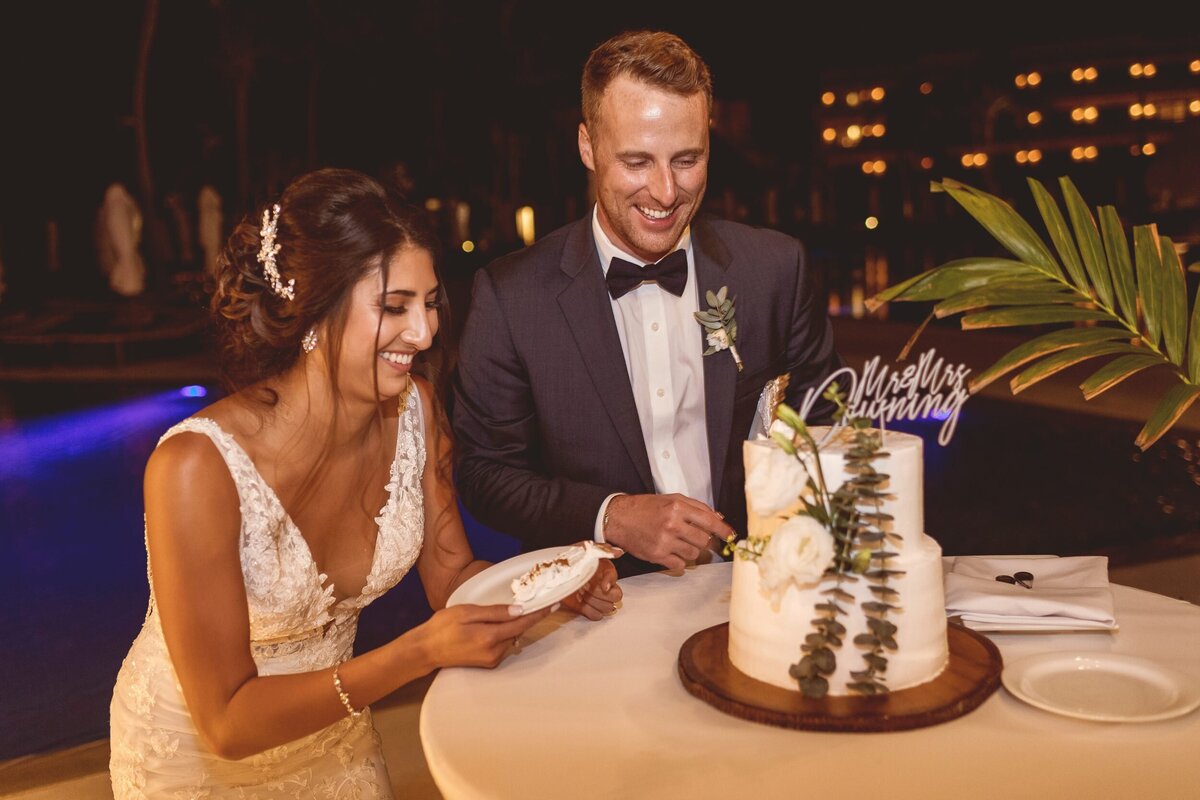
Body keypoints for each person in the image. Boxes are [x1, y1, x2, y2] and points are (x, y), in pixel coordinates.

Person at [109, 168, 621, 798]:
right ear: (315, 311)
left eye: (430, 303)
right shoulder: (197, 467)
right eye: (393, 306)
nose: (425, 332)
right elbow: (226, 722)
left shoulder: (418, 411)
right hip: (195, 758)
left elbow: (453, 577)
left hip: (336, 735)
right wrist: (416, 654)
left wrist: (550, 587)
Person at [452, 31, 843, 577]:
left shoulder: (776, 270)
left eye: (687, 159)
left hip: (755, 593)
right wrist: (609, 515)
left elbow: (823, 430)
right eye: (636, 162)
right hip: (594, 604)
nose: (665, 192)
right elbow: (485, 473)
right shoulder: (511, 296)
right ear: (588, 146)